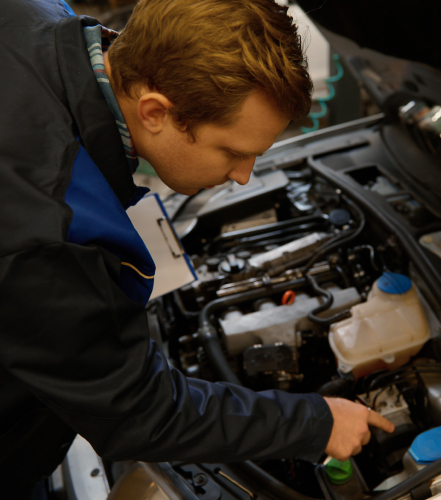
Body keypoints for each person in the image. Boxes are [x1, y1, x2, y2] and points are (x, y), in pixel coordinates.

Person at [0, 0, 394, 497]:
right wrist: (315, 422)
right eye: (233, 151)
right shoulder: (46, 230)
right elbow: (133, 410)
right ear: (156, 111)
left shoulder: (34, 13)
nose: (243, 176)